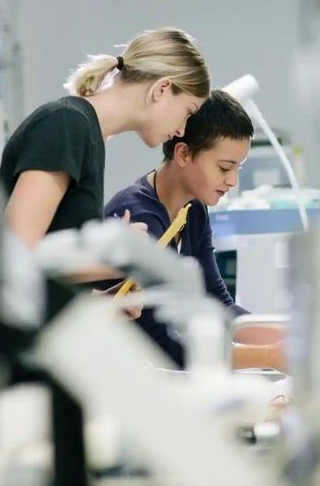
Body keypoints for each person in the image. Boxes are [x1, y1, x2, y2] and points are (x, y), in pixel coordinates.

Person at [0, 28, 210, 291]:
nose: (181, 130)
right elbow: (15, 254)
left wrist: (107, 299)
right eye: (188, 112)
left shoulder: (90, 135)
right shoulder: (66, 124)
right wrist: (120, 258)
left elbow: (47, 267)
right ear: (162, 89)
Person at [106, 89, 269, 368]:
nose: (233, 181)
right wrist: (270, 356)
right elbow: (161, 348)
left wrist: (286, 336)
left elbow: (217, 302)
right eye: (224, 167)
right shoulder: (139, 218)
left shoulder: (191, 209)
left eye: (238, 168)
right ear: (183, 153)